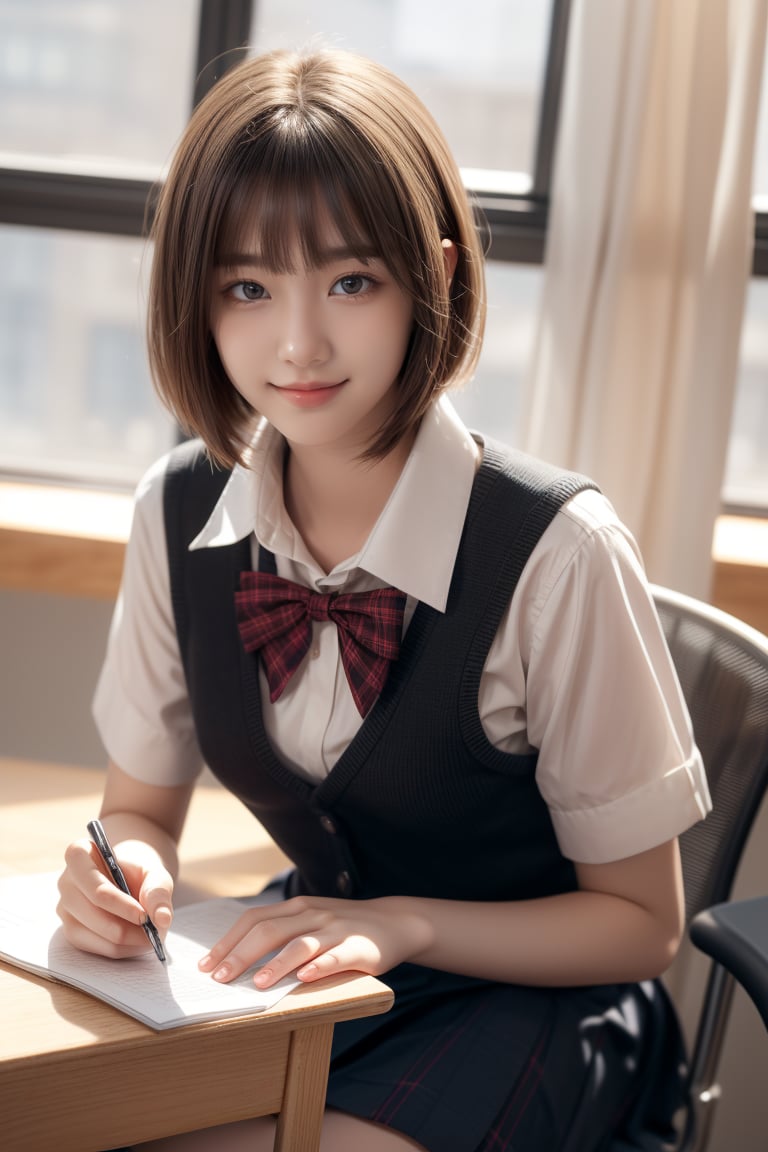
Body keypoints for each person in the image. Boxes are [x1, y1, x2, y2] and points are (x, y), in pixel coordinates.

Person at [57, 46, 711, 1152]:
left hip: (539, 999)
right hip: (314, 962)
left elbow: (643, 928)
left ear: (437, 278)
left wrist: (403, 924)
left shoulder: (557, 552)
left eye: (351, 281)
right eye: (248, 287)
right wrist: (129, 878)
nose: (299, 343)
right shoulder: (178, 513)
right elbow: (139, 810)